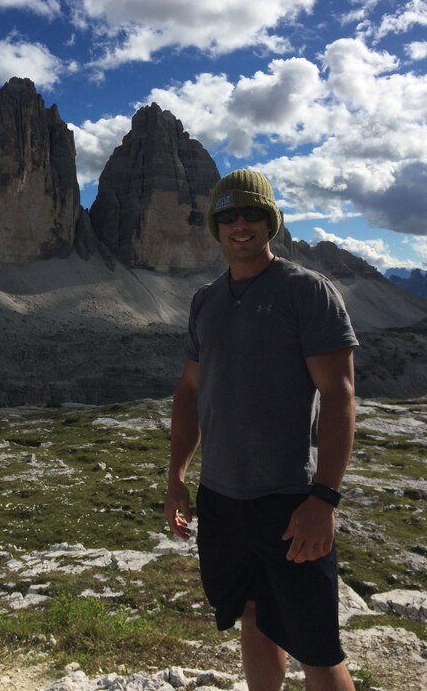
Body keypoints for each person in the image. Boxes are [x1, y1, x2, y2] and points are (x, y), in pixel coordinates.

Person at [164, 169, 359, 691]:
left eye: (252, 214)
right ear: (215, 227)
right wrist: (176, 476)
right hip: (222, 499)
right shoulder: (205, 301)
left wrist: (324, 499)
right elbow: (188, 391)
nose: (240, 225)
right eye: (228, 216)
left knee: (317, 645)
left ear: (271, 221)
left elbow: (339, 395)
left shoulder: (306, 292)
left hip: (291, 500)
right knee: (252, 614)